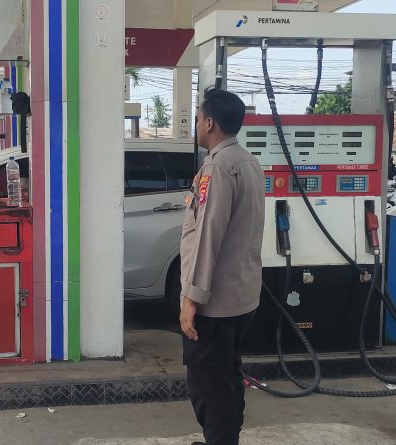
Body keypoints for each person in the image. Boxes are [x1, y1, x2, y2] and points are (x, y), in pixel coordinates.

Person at [179, 89, 265, 445]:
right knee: (227, 378)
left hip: (214, 305)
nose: (196, 124)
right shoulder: (248, 161)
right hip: (242, 297)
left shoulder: (218, 167)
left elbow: (207, 236)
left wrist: (191, 298)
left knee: (208, 386)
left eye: (198, 118)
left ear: (210, 122)